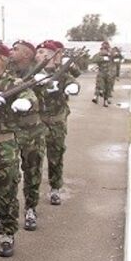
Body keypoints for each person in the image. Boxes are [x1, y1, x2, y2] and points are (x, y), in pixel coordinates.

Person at [0, 42, 38, 258]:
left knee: (6, 193)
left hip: (3, 146)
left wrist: (23, 102)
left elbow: (30, 96)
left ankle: (7, 233)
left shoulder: (12, 82)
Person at [35, 40, 81, 206]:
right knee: (34, 159)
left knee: (55, 155)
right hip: (37, 123)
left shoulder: (61, 72)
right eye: (38, 52)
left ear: (53, 55)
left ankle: (55, 187)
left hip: (56, 121)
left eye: (43, 52)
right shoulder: (31, 72)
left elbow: (73, 80)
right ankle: (32, 191)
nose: (39, 55)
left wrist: (71, 87)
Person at [9, 39, 46, 231]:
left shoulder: (40, 72)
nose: (11, 52)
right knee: (7, 176)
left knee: (32, 171)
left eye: (15, 50)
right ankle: (1, 214)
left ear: (26, 54)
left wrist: (45, 83)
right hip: (9, 132)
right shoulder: (7, 72)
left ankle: (31, 208)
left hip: (32, 131)